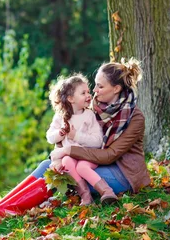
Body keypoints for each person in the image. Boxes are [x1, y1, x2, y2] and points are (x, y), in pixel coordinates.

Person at [0, 58, 151, 224]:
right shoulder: (95, 104)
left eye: (100, 87)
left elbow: (110, 155)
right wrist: (59, 151)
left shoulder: (134, 118)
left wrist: (67, 152)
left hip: (122, 174)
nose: (94, 91)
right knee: (48, 165)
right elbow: (70, 125)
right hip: (90, 163)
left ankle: (2, 213)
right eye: (94, 86)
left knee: (62, 170)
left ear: (116, 89)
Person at [46, 74, 117, 205]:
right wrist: (60, 133)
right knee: (67, 160)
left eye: (88, 92)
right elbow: (50, 137)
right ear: (70, 98)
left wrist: (76, 136)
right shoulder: (60, 117)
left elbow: (97, 141)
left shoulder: (89, 115)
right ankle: (86, 196)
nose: (88, 95)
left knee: (82, 167)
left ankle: (107, 192)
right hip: (70, 157)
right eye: (83, 93)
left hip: (88, 156)